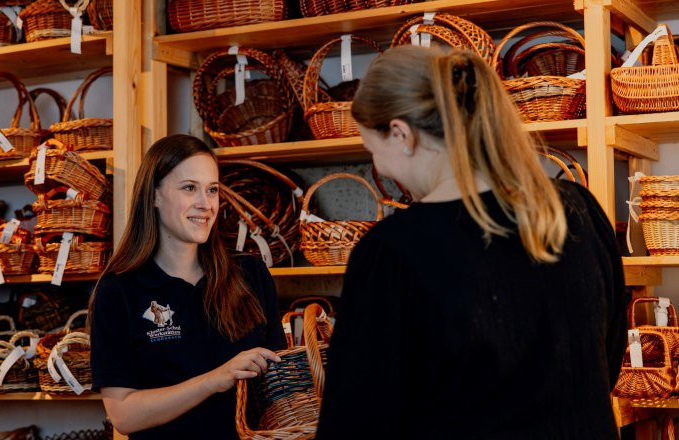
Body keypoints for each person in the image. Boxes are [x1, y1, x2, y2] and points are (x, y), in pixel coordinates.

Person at [315, 45, 627, 439]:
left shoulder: (393, 253)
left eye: (371, 149)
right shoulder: (577, 210)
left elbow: (356, 422)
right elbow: (604, 363)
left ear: (401, 134)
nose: (379, 167)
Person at [89, 134, 286, 439]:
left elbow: (279, 385)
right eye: (189, 188)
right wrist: (215, 379)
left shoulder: (250, 275)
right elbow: (123, 414)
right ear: (154, 196)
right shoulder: (119, 291)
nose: (205, 204)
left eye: (212, 190)